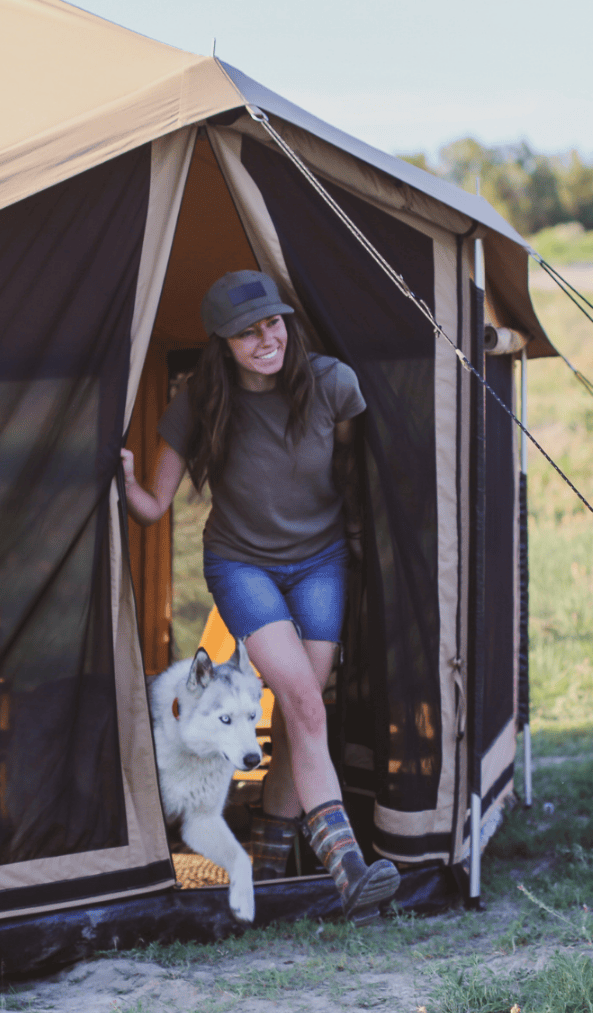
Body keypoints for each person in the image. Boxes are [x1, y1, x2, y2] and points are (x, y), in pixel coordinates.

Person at [121, 270, 400, 923]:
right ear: (222, 343)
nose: (265, 338)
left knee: (304, 714)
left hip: (322, 562)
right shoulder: (201, 401)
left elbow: (355, 473)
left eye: (272, 323)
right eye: (246, 332)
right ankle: (349, 872)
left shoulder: (332, 383)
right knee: (305, 703)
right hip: (242, 565)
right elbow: (153, 507)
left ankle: (269, 868)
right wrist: (121, 479)